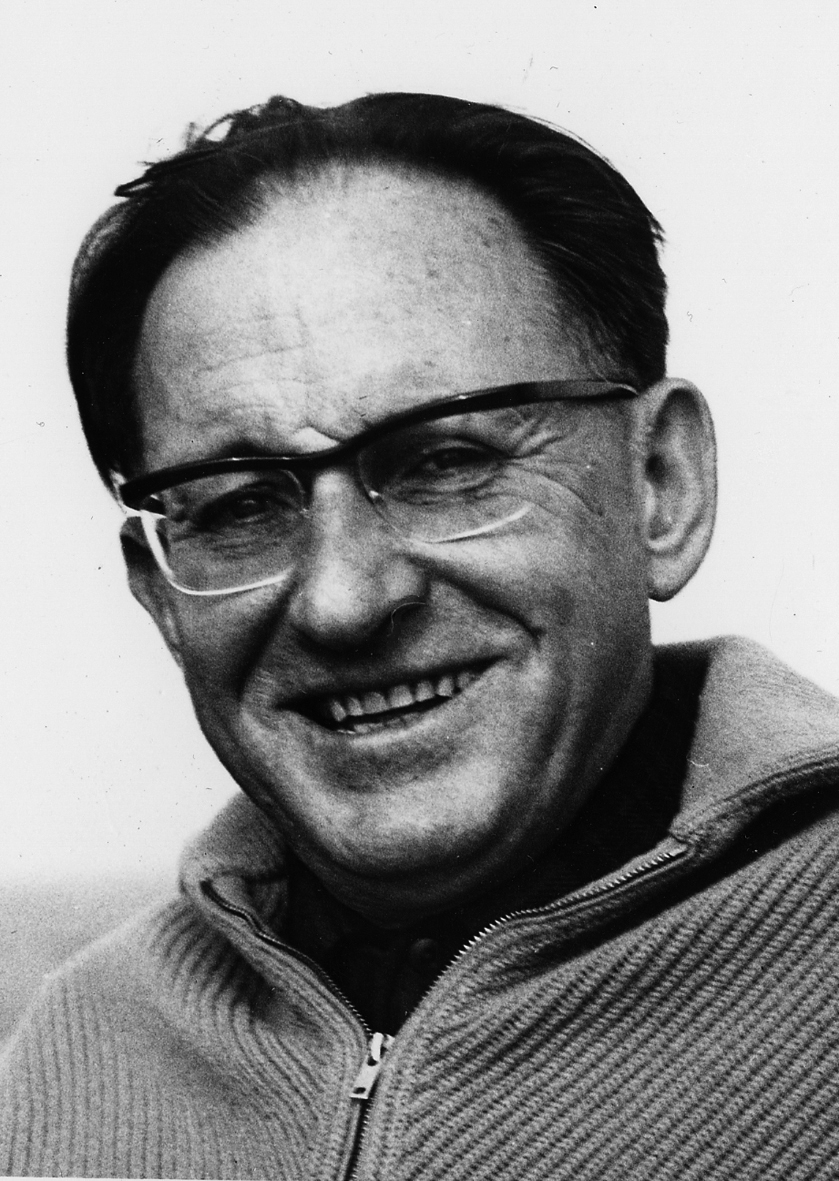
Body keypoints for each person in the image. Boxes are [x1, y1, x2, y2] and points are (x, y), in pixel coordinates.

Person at [3, 91, 839, 1181]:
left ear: (659, 484)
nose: (342, 600)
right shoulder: (68, 1068)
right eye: (239, 504)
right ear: (161, 596)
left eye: (445, 461)